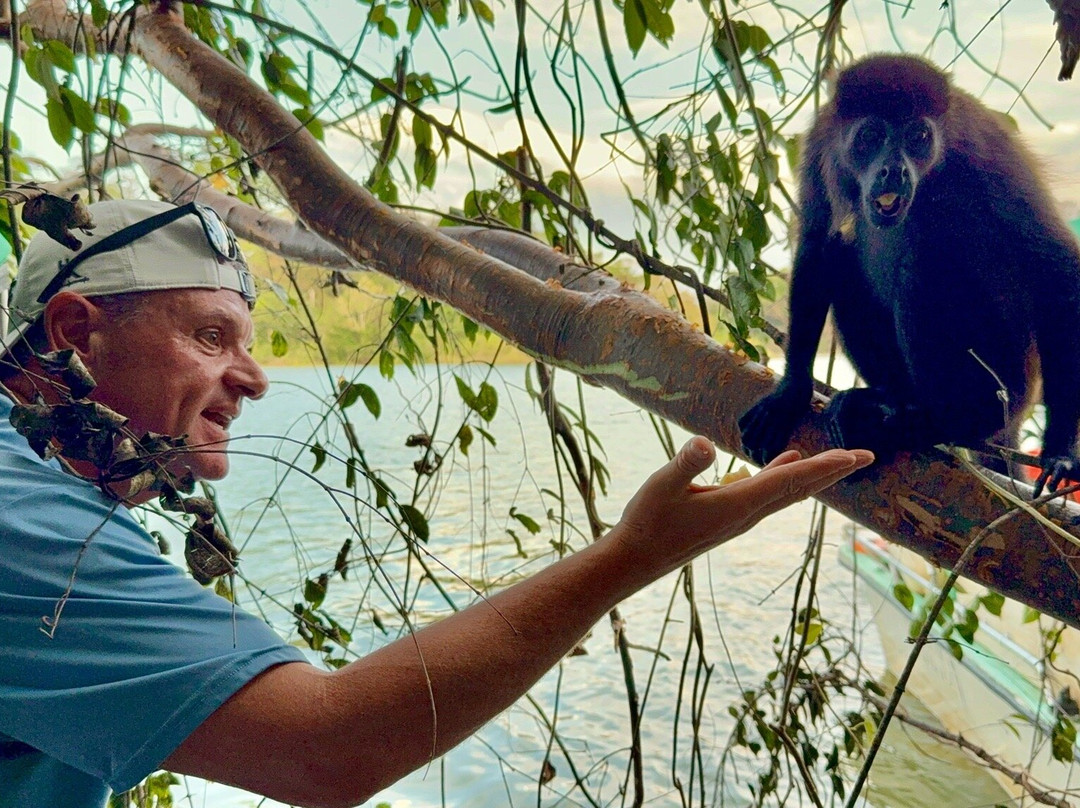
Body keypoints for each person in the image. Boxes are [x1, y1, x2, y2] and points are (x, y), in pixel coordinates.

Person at [0, 198, 873, 808]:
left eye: (247, 343)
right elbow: (326, 749)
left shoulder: (36, 486)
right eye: (209, 336)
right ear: (76, 331)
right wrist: (633, 555)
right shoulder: (21, 518)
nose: (255, 378)